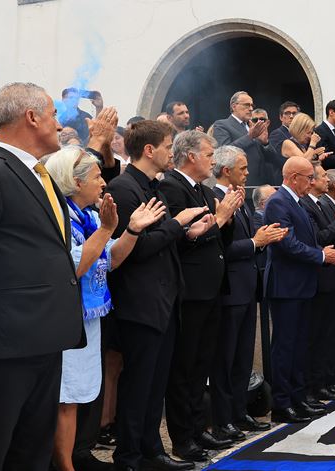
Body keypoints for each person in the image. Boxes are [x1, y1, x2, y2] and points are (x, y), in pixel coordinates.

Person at [0, 82, 83, 471]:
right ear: (32, 117)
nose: (59, 123)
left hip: (45, 342)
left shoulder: (40, 175)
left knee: (31, 455)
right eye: (53, 113)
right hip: (0, 351)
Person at [45, 146, 165, 471]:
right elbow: (77, 266)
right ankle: (65, 466)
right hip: (65, 316)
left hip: (90, 316)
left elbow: (110, 259)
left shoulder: (92, 215)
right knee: (66, 398)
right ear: (75, 181)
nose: (104, 183)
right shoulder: (61, 216)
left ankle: (76, 456)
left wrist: (132, 229)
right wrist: (109, 230)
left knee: (82, 394)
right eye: (98, 177)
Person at [105, 120, 215, 471]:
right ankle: (129, 456)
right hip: (140, 302)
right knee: (138, 385)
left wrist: (187, 231)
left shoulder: (155, 187)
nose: (172, 152)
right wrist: (177, 223)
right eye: (168, 146)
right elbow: (134, 250)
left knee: (155, 385)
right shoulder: (124, 189)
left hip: (165, 299)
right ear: (149, 150)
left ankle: (152, 450)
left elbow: (163, 240)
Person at [160, 130, 246, 460]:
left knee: (202, 365)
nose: (213, 160)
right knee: (185, 366)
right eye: (209, 154)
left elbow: (221, 237)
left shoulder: (203, 189)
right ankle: (183, 437)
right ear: (192, 156)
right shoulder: (172, 187)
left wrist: (227, 215)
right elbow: (183, 239)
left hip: (212, 287)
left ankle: (199, 428)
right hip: (190, 290)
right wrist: (220, 216)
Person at [264, 157, 335, 423]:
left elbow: (309, 238)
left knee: (300, 345)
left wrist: (322, 250)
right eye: (308, 177)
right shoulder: (278, 202)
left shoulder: (297, 202)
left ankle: (298, 397)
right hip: (286, 286)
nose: (312, 182)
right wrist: (322, 256)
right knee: (285, 347)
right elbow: (287, 243)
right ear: (293, 177)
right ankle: (282, 402)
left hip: (302, 284)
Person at [210, 146, 287, 441]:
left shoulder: (238, 198)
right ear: (226, 170)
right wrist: (256, 242)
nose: (247, 173)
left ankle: (240, 412)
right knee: (225, 360)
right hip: (228, 290)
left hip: (246, 288)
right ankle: (223, 418)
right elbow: (222, 248)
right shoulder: (215, 198)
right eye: (242, 168)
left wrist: (261, 240)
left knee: (243, 358)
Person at [300, 164, 335, 403]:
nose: (324, 178)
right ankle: (317, 384)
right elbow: (320, 240)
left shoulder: (319, 204)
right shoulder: (309, 206)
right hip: (321, 279)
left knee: (332, 334)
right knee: (318, 337)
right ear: (311, 181)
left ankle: (328, 380)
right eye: (322, 175)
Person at [212, 91, 276, 186]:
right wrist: (250, 136)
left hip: (262, 185)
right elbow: (224, 153)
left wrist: (265, 143)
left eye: (251, 105)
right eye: (246, 105)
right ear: (234, 106)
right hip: (241, 185)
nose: (250, 109)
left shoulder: (253, 126)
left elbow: (272, 159)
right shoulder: (222, 125)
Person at [313, 99, 335, 172]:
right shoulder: (320, 131)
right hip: (329, 177)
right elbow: (324, 159)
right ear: (331, 112)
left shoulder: (333, 132)